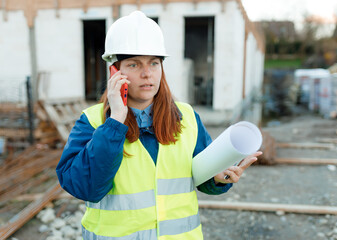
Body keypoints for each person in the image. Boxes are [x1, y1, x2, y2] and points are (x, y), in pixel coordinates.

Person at [56, 10, 262, 240]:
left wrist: (218, 178)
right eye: (134, 65)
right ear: (115, 71)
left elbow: (200, 177)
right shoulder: (93, 122)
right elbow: (86, 188)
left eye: (154, 63)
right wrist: (115, 121)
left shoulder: (187, 117)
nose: (147, 74)